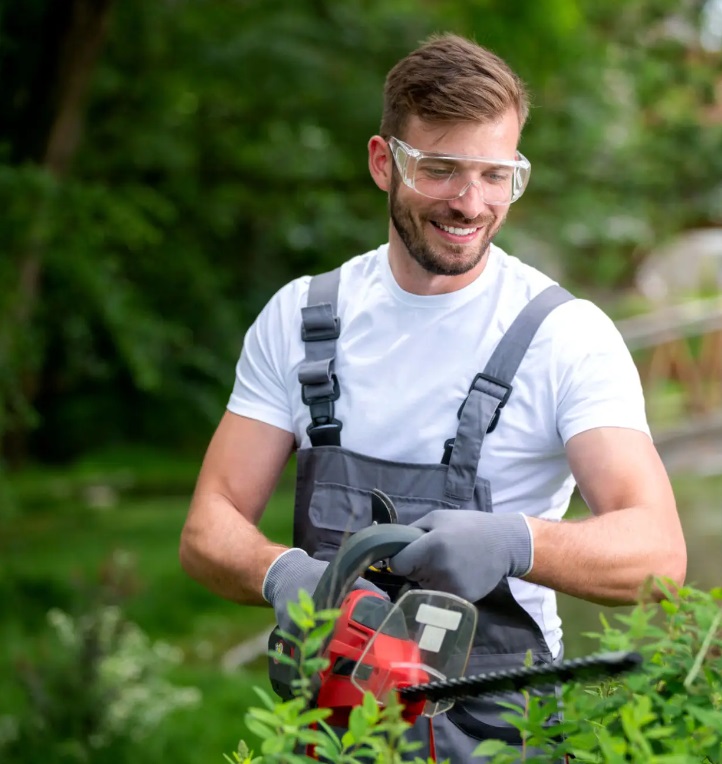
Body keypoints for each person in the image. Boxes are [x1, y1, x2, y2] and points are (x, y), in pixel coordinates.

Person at [180, 32, 687, 761]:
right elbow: (206, 528)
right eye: (442, 170)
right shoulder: (300, 319)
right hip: (328, 729)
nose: (470, 202)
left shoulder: (563, 336)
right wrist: (283, 574)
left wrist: (519, 542)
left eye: (495, 174)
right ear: (384, 162)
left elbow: (659, 553)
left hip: (504, 734)